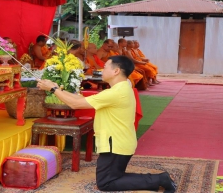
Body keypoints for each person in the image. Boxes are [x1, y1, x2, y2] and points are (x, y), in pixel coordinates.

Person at [37, 55, 177, 192]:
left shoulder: (116, 93)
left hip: (115, 144)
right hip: (119, 141)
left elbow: (75, 103)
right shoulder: (122, 87)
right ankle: (157, 180)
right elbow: (78, 99)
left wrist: (53, 89)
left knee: (106, 183)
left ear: (116, 71)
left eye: (104, 67)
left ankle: (160, 179)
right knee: (113, 177)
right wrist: (58, 89)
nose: (101, 70)